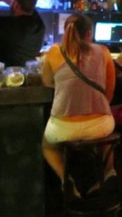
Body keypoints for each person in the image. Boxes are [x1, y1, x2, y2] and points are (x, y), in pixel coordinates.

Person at [42, 14, 116, 190]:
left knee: (48, 147)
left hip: (64, 129)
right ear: (89, 33)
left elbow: (47, 82)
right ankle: (109, 173)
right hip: (100, 125)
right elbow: (109, 91)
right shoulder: (104, 52)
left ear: (66, 31)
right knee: (106, 138)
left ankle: (66, 179)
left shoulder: (53, 52)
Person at [0, 0, 45, 67]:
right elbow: (29, 6)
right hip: (28, 71)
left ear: (15, 4)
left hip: (9, 73)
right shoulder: (39, 24)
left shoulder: (10, 25)